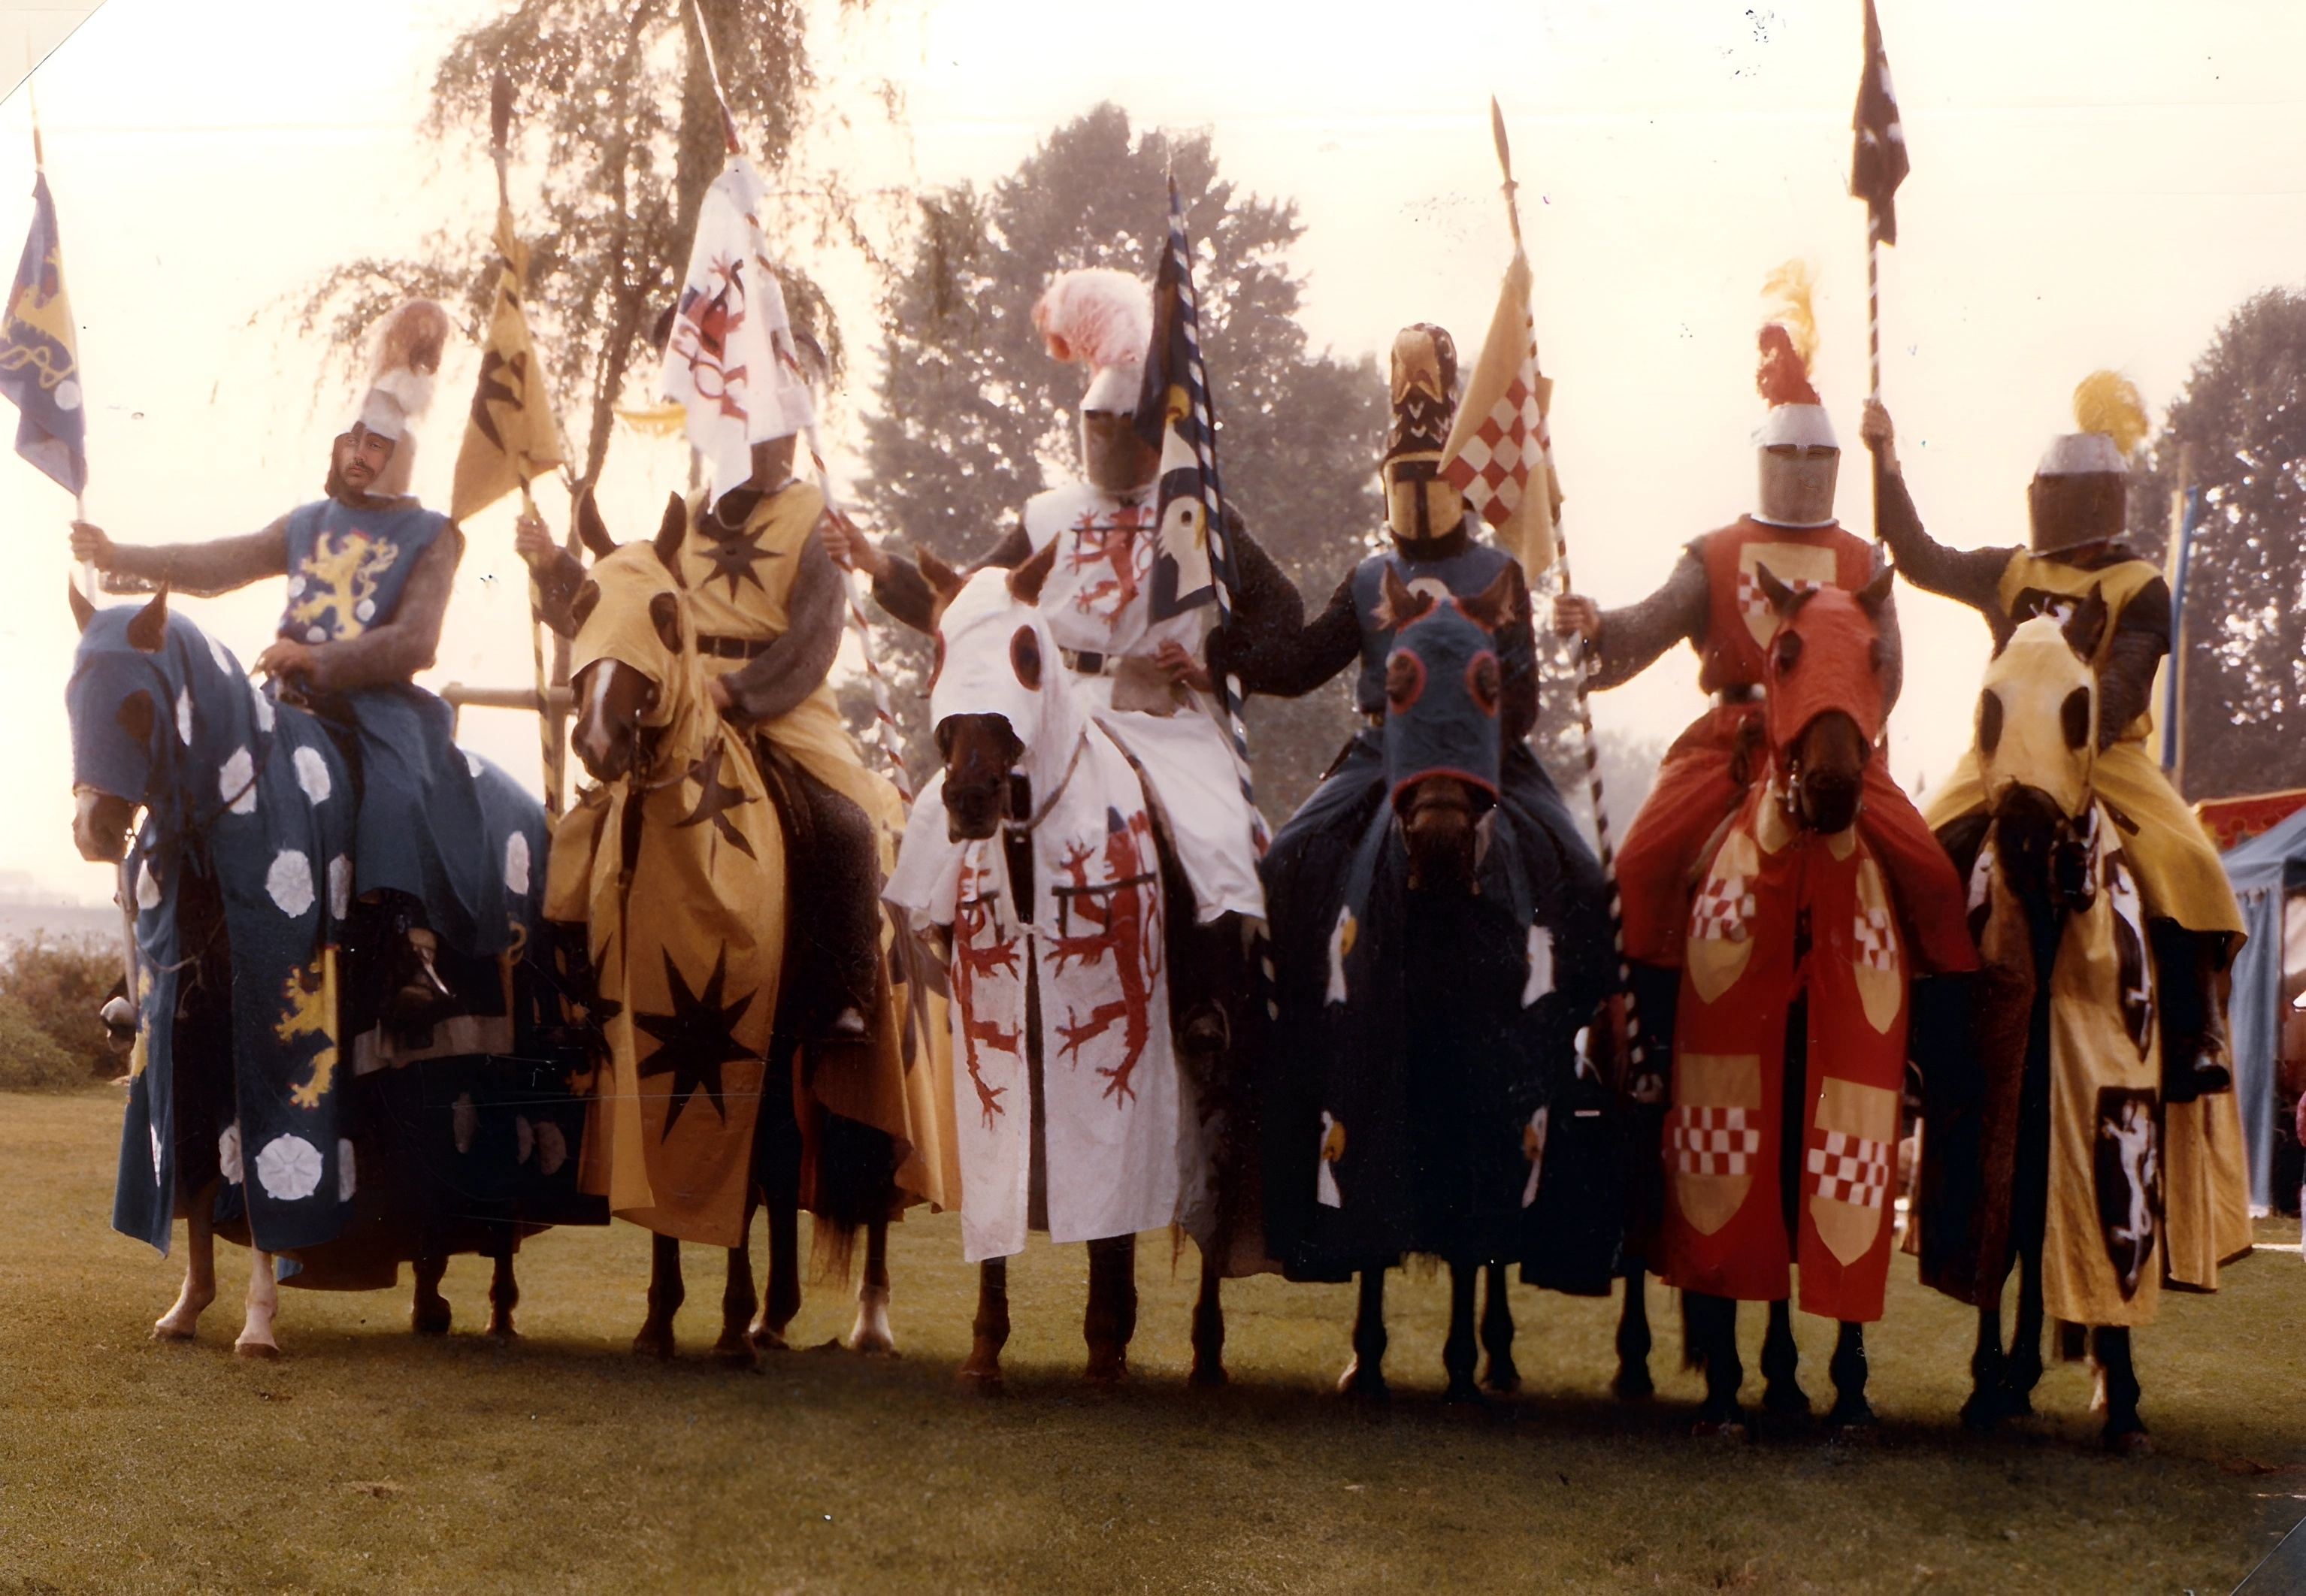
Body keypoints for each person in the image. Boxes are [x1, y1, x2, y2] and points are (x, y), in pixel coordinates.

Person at [820, 266, 1298, 1054]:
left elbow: (1280, 612)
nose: (1108, 440)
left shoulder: (1193, 506)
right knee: (949, 805)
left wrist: (1216, 659)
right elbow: (971, 601)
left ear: (1154, 426)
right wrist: (878, 566)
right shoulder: (1047, 513)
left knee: (1214, 830)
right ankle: (947, 954)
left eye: (1122, 424)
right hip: (1057, 703)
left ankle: (1207, 1001)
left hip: (1153, 710)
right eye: (1097, 423)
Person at [69, 300, 510, 1026]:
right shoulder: (308, 522)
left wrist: (319, 656)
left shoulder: (433, 535)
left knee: (396, 784)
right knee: (199, 767)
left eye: (375, 446)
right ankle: (157, 954)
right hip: (286, 700)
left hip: (378, 703)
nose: (359, 455)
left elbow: (415, 643)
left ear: (399, 455)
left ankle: (407, 948)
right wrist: (121, 558)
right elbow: (218, 561)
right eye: (353, 442)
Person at [1550, 270, 1973, 993]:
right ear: (1765, 460)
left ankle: (1933, 1061)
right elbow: (1649, 625)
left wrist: (1848, 723)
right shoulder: (1716, 553)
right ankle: (1643, 1045)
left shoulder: (1860, 560)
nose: (1804, 472)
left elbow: (1889, 670)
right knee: (1643, 869)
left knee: (1933, 883)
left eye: (1818, 461)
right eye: (1792, 458)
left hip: (1836, 743)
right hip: (1730, 747)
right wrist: (1596, 627)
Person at [1862, 376, 2245, 1097]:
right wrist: (1885, 464)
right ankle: (1917, 1028)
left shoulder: (2139, 584)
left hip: (2105, 755)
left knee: (2184, 861)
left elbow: (2127, 682)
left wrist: (2077, 735)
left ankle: (2197, 1034)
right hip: (2003, 756)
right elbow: (1918, 557)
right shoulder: (2012, 571)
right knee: (1925, 846)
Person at [519, 422, 889, 1047]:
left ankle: (841, 996)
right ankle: (573, 984)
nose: (756, 443)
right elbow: (620, 601)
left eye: (771, 431)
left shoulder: (818, 517)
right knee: (589, 821)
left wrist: (737, 691)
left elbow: (813, 642)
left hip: (782, 708)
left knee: (845, 824)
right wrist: (553, 563)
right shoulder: (683, 518)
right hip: (682, 699)